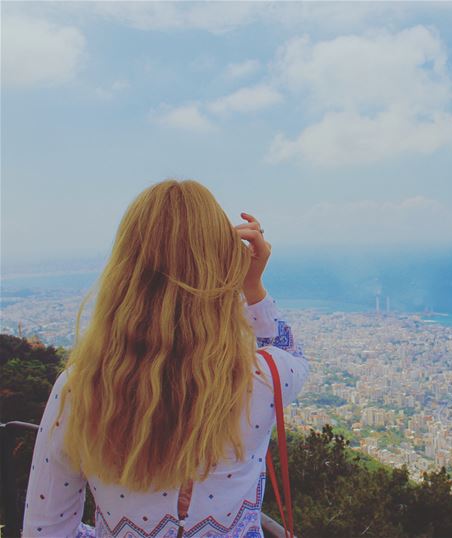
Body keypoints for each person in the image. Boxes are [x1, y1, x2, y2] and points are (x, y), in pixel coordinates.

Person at [22, 179, 309, 537]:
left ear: (125, 271)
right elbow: (288, 352)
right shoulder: (263, 378)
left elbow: (44, 530)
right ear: (223, 267)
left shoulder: (79, 389)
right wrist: (252, 285)